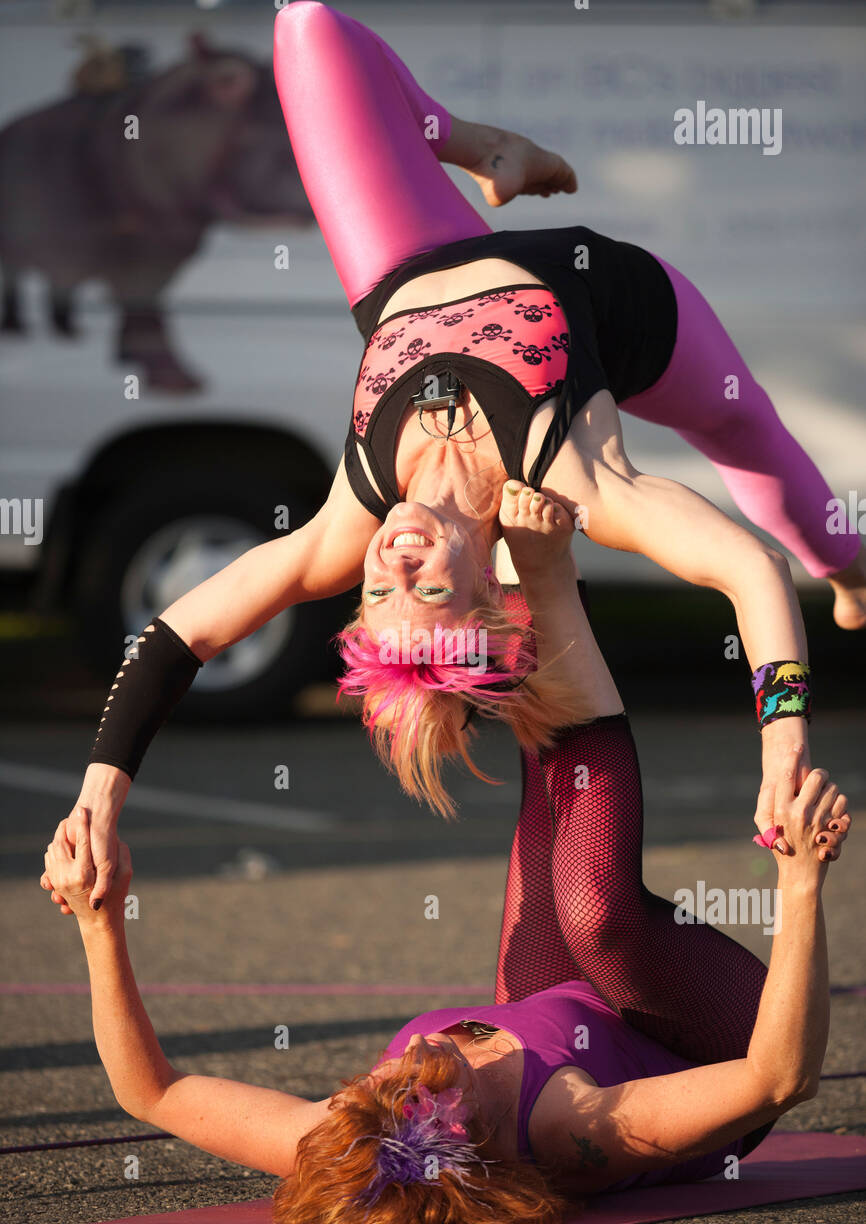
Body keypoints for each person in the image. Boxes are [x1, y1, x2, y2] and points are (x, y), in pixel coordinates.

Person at [42, 0, 858, 906]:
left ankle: (484, 144)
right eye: (427, 589)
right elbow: (751, 569)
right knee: (747, 431)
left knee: (307, 28)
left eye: (378, 592)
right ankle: (855, 568)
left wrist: (98, 795)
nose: (393, 562)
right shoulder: (570, 477)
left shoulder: (344, 521)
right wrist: (785, 740)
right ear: (489, 587)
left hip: (409, 268)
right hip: (619, 301)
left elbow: (174, 637)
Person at [41, 493, 850, 1224]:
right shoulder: (572, 1132)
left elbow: (152, 1093)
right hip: (714, 1042)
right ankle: (543, 571)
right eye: (429, 1084)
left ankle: (496, 560)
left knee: (552, 796)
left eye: (386, 1082)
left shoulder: (364, 1124)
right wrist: (800, 880)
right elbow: (779, 1078)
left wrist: (98, 922)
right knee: (595, 916)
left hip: (561, 1008)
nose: (407, 1065)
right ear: (479, 1137)